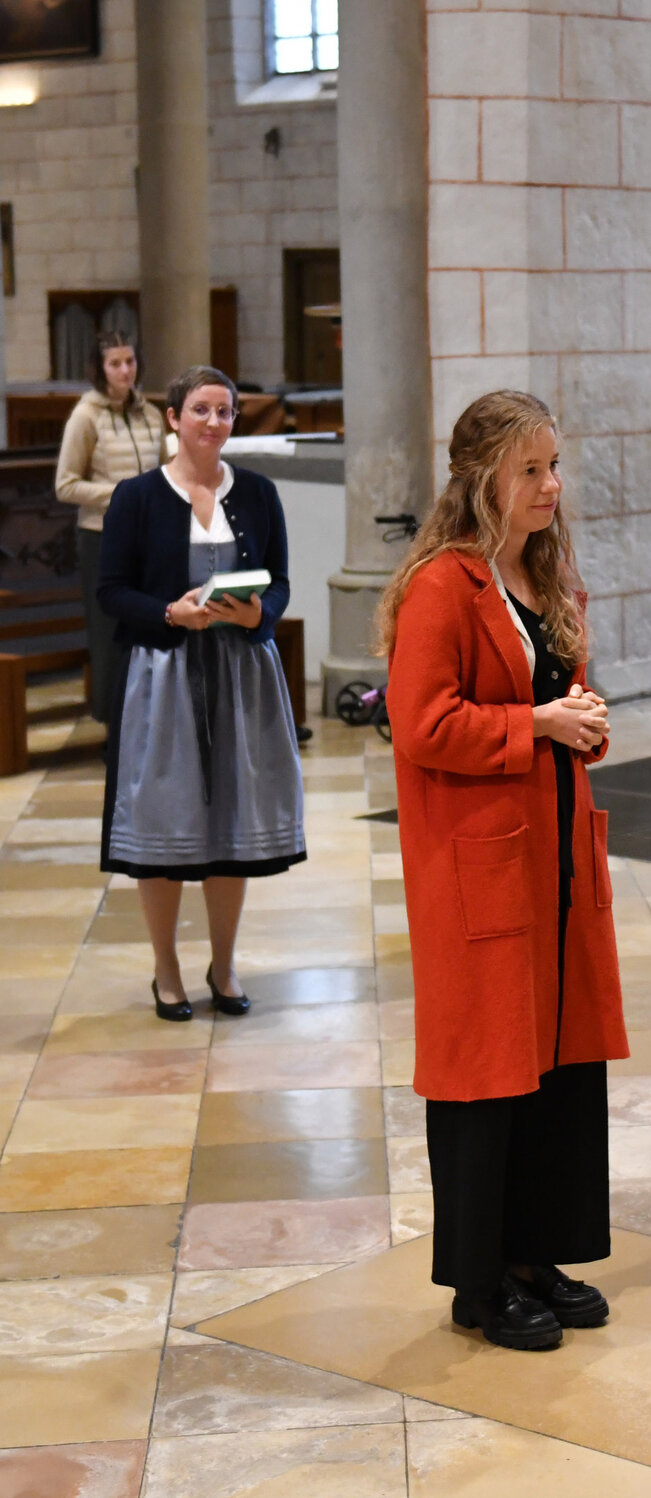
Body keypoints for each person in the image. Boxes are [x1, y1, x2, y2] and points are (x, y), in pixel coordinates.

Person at [377, 389, 629, 1352]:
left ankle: (539, 1252)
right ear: (482, 476)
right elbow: (422, 723)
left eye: (553, 466)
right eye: (530, 470)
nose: (550, 486)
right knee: (487, 1074)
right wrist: (538, 726)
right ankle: (480, 1286)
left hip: (555, 862)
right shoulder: (444, 585)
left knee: (556, 1063)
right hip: (478, 866)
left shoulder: (545, 573)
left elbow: (563, 699)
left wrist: (583, 719)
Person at [95, 365, 305, 1022]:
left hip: (242, 674)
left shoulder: (260, 493)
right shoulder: (136, 497)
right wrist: (168, 612)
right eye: (201, 410)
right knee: (162, 819)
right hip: (163, 677)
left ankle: (225, 961)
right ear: (173, 418)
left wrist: (258, 615)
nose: (214, 422)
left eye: (225, 411)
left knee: (232, 822)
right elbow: (111, 592)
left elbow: (281, 582)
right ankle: (166, 968)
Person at [58, 330, 168, 722]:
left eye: (130, 361)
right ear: (100, 369)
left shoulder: (151, 414)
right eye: (115, 363)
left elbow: (166, 471)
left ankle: (150, 719)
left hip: (150, 539)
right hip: (101, 538)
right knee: (109, 633)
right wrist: (122, 494)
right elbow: (65, 485)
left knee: (153, 624)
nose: (125, 370)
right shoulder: (85, 416)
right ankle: (112, 723)